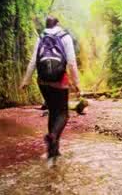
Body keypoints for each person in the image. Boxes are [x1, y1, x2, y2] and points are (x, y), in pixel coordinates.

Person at [19, 16, 80, 166]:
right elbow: (71, 62)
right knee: (63, 113)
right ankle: (53, 137)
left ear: (46, 26)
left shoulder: (41, 37)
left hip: (43, 81)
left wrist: (26, 81)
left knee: (53, 111)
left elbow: (33, 61)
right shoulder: (65, 37)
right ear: (58, 24)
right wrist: (77, 84)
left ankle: (53, 151)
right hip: (59, 80)